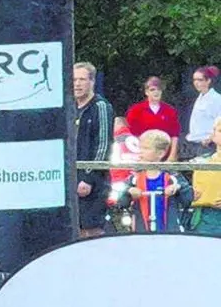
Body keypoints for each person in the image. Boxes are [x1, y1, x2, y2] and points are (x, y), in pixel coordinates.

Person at [113, 130, 191, 233]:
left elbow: (188, 199)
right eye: (140, 147)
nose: (141, 151)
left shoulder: (172, 177)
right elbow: (121, 202)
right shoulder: (134, 177)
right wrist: (129, 191)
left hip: (169, 233)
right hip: (141, 232)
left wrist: (177, 188)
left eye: (146, 148)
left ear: (160, 153)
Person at [72, 62, 114, 238]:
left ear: (92, 82)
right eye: (74, 79)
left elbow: (103, 145)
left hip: (93, 180)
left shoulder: (100, 107)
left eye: (82, 79)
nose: (77, 84)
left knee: (92, 230)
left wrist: (88, 177)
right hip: (71, 177)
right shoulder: (68, 107)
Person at [126, 77, 181, 161]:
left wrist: (172, 156)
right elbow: (132, 135)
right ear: (146, 92)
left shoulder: (170, 111)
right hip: (143, 155)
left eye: (158, 89)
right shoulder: (135, 110)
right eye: (152, 90)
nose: (156, 92)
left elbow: (175, 136)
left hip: (164, 155)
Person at [186, 119, 221, 236]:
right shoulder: (199, 162)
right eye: (220, 131)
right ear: (213, 135)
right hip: (204, 217)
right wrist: (189, 193)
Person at [181, 66, 221, 160]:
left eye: (200, 80)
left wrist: (210, 138)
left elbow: (220, 122)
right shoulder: (200, 97)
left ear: (208, 81)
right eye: (194, 80)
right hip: (193, 144)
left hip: (207, 145)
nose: (196, 83)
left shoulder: (216, 99)